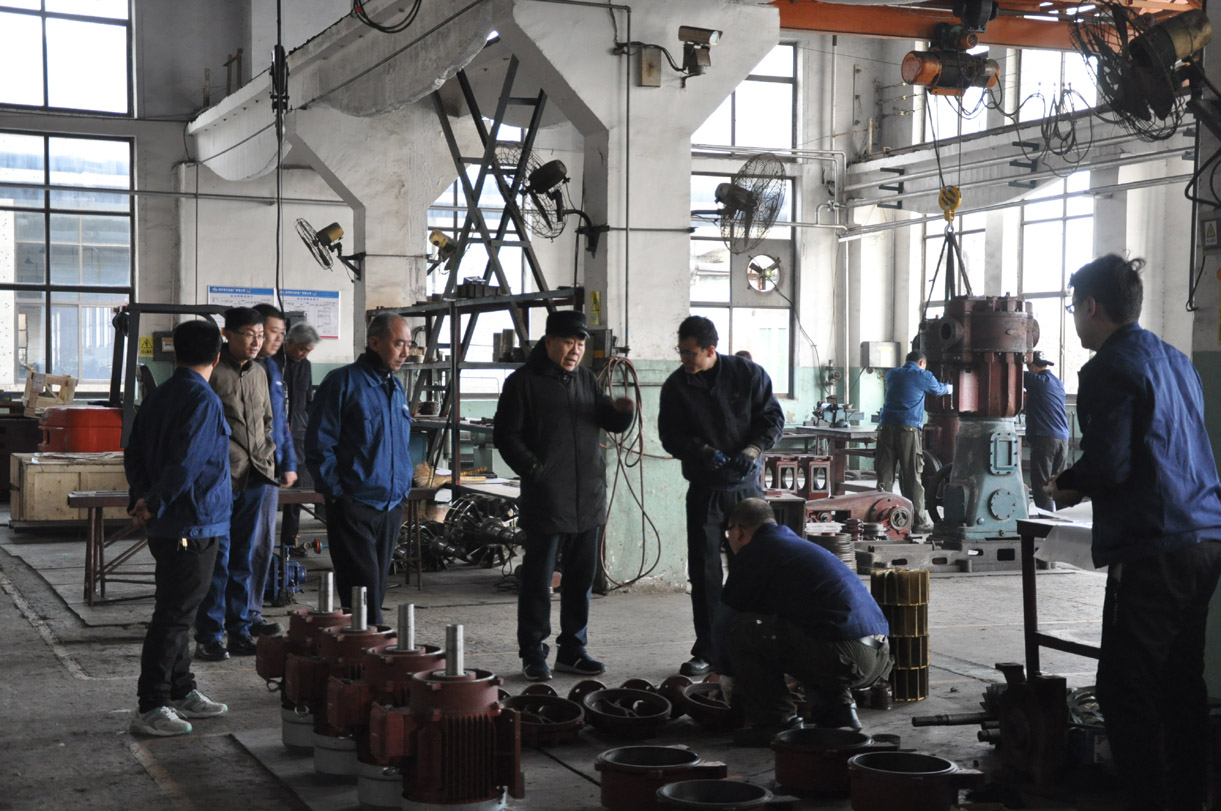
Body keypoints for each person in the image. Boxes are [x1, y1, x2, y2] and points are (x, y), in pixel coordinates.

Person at [1048, 254, 1221, 811]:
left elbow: (1110, 464)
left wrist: (1068, 485)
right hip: (1206, 537)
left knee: (1125, 690)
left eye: (1074, 308)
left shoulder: (1108, 369)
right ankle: (1189, 798)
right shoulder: (1177, 360)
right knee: (1181, 681)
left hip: (1156, 546)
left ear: (1091, 307)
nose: (1076, 320)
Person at [493, 310, 635, 681]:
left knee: (580, 580)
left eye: (581, 344)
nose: (575, 350)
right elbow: (505, 436)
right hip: (547, 498)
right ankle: (533, 652)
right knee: (538, 580)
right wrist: (536, 471)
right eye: (568, 342)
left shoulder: (586, 379)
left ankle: (573, 649)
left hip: (588, 497)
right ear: (549, 342)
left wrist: (623, 413)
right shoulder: (522, 383)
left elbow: (606, 419)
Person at [658, 315, 784, 677]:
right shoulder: (677, 386)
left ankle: (754, 646)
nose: (685, 359)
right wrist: (700, 451)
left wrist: (753, 450)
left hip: (746, 489)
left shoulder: (748, 375)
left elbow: (772, 419)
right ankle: (709, 650)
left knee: (754, 567)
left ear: (710, 350)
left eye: (691, 353)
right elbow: (670, 435)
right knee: (705, 573)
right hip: (706, 489)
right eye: (681, 352)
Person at [125, 319, 232, 736]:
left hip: (168, 522)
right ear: (218, 357)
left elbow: (133, 452)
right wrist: (153, 502)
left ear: (174, 352)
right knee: (174, 615)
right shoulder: (203, 399)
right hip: (191, 522)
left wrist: (142, 497)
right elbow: (187, 462)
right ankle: (152, 704)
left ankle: (181, 689)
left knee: (179, 609)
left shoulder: (159, 394)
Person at [715, 498, 892, 746]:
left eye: (729, 533)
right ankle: (839, 715)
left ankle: (776, 722)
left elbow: (727, 617)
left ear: (739, 531)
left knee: (743, 628)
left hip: (846, 657)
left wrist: (725, 672)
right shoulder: (793, 544)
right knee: (806, 630)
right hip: (880, 655)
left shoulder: (756, 551)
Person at [306, 313, 413, 625]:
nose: (405, 352)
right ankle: (367, 645)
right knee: (360, 590)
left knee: (376, 588)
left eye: (409, 344)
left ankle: (369, 640)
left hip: (391, 505)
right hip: (355, 503)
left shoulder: (395, 387)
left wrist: (402, 489)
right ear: (374, 342)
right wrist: (338, 495)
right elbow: (319, 444)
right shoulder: (342, 382)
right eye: (399, 344)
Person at [194, 307, 277, 662]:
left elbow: (267, 420)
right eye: (249, 334)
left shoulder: (260, 373)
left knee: (244, 557)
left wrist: (267, 455)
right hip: (222, 479)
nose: (257, 342)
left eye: (261, 335)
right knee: (219, 559)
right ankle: (210, 635)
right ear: (227, 334)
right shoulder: (212, 372)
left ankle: (239, 629)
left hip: (256, 477)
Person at [245, 303, 298, 635]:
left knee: (263, 543)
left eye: (281, 333)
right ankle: (228, 613)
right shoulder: (241, 369)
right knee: (241, 543)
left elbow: (282, 424)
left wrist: (288, 463)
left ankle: (251, 612)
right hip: (242, 472)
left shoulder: (274, 369)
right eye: (271, 332)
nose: (277, 339)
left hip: (269, 470)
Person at [876, 349, 950, 532]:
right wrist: (951, 387)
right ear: (921, 363)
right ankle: (918, 522)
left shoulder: (892, 374)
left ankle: (880, 520)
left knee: (884, 475)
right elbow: (938, 390)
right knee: (912, 476)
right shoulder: (923, 375)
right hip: (908, 429)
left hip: (885, 428)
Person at [279, 322, 318, 555]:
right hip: (273, 436)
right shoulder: (273, 362)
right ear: (289, 342)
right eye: (302, 349)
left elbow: (308, 399)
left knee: (295, 493)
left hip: (298, 435)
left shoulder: (306, 366)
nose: (304, 354)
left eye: (308, 351)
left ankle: (289, 542)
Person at [1022, 350, 1069, 512]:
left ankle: (1046, 523)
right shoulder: (1058, 383)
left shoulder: (1034, 380)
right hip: (1063, 439)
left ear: (1033, 367)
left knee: (1042, 485)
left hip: (1045, 438)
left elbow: (1012, 372)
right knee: (1059, 484)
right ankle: (1063, 521)